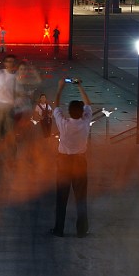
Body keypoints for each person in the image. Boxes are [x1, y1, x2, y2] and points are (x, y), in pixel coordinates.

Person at [51, 77, 92, 238]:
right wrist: (79, 86)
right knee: (81, 198)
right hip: (80, 162)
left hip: (64, 162)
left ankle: (59, 229)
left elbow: (55, 105)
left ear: (69, 112)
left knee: (61, 198)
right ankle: (82, 230)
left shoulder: (64, 123)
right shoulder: (85, 122)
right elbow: (88, 103)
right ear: (82, 112)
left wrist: (60, 87)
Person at [0, 54, 19, 143]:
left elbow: (17, 92)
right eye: (8, 61)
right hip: (0, 106)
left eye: (12, 62)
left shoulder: (16, 76)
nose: (10, 64)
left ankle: (11, 152)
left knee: (10, 130)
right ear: (4, 63)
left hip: (9, 106)